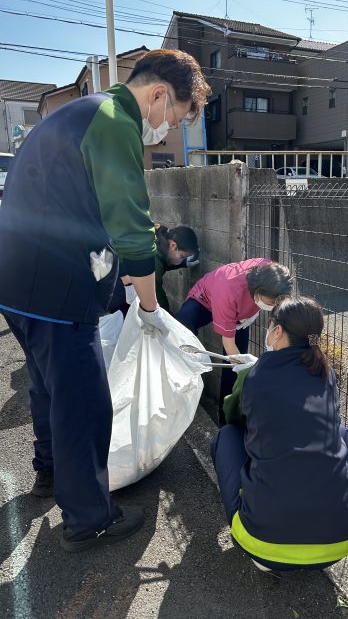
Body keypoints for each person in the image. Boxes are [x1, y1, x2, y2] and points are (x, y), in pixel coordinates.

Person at [0, 48, 210, 553]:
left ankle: (50, 471)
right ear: (158, 95)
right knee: (84, 402)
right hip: (56, 289)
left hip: (16, 282)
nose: (167, 129)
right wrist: (150, 311)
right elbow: (134, 230)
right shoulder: (115, 122)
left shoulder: (78, 112)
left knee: (49, 386)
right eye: (174, 117)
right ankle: (88, 518)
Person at [211, 295, 348, 571]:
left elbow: (234, 418)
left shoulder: (257, 373)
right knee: (342, 435)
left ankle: (266, 546)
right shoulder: (326, 372)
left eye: (271, 325)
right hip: (341, 541)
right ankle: (318, 544)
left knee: (226, 436)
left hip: (263, 544)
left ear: (278, 331)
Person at [175, 259, 293, 423]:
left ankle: (226, 419)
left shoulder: (274, 275)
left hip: (241, 314)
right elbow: (229, 344)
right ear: (258, 292)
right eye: (270, 303)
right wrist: (248, 372)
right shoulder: (229, 291)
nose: (273, 306)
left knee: (233, 370)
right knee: (182, 324)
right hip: (206, 299)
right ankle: (181, 388)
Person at [110, 223, 200, 316]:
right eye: (182, 256)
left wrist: (183, 262)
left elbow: (164, 260)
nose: (182, 259)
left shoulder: (159, 238)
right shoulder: (152, 257)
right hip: (117, 290)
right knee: (125, 317)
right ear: (173, 245)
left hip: (120, 281)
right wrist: (167, 318)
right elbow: (156, 293)